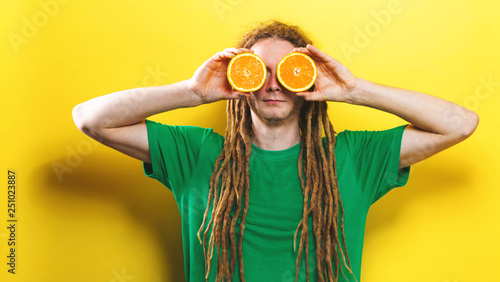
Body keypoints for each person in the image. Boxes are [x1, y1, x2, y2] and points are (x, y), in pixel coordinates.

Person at [72, 20, 479, 282]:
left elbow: (460, 123)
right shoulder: (195, 153)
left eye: (287, 72)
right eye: (259, 72)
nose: (272, 85)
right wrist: (192, 91)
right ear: (239, 81)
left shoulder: (352, 158)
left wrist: (354, 90)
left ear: (307, 81)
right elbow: (90, 119)